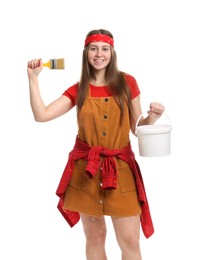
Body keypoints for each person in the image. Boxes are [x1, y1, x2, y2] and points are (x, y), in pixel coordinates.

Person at [27, 29, 164, 260]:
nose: (99, 54)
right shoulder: (79, 88)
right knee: (95, 237)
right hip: (86, 172)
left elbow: (137, 129)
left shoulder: (127, 82)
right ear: (86, 53)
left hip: (120, 171)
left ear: (112, 52)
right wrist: (33, 78)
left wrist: (153, 117)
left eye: (104, 49)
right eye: (93, 48)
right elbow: (42, 115)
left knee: (130, 240)